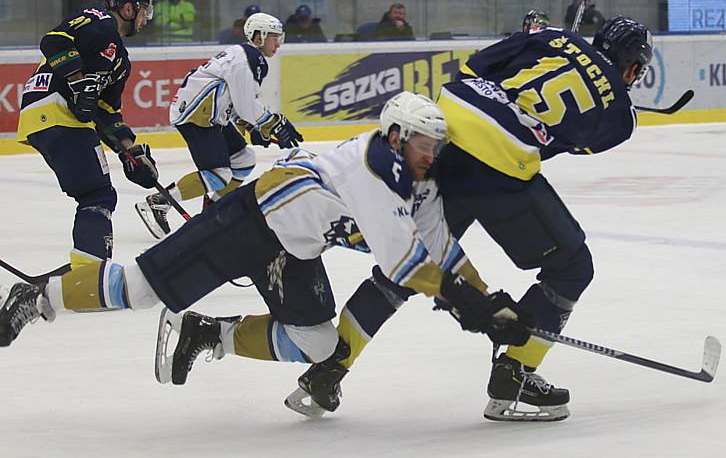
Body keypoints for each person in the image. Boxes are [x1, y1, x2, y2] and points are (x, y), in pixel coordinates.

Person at [0, 93, 527, 403]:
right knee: (136, 289)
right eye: (424, 146)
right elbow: (404, 264)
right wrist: (469, 305)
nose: (432, 157)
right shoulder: (374, 167)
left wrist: (490, 300)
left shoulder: (419, 182)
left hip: (292, 250)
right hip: (245, 222)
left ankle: (210, 333)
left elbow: (444, 251)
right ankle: (37, 296)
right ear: (394, 137)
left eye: (437, 148)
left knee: (321, 345)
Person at [287, 16, 654, 422]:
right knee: (571, 268)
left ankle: (329, 369)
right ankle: (513, 375)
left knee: (405, 267)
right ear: (633, 68)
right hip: (499, 171)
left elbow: (472, 69)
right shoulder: (623, 115)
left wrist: (536, 40)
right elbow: (569, 143)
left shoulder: (551, 36)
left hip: (441, 142)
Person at [15, 0, 159, 270]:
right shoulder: (98, 20)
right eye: (144, 10)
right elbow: (54, 40)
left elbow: (106, 112)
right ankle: (90, 273)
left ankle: (90, 269)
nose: (146, 18)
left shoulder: (121, 61)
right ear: (128, 8)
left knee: (96, 192)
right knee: (98, 194)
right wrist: (78, 83)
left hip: (59, 119)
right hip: (53, 108)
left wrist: (131, 152)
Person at [134, 12, 304, 240]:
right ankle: (158, 202)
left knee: (244, 160)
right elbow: (245, 106)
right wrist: (274, 124)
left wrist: (255, 128)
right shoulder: (248, 58)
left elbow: (236, 103)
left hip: (210, 116)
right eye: (274, 38)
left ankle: (212, 212)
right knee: (219, 174)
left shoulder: (247, 57)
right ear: (259, 37)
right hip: (197, 116)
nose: (278, 44)